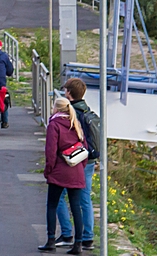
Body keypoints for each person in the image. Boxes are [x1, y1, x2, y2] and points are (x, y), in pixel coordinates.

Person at [55, 77, 101, 250]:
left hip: (73, 160)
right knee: (85, 199)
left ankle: (67, 234)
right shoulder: (88, 111)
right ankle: (88, 238)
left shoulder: (69, 114)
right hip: (89, 160)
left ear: (68, 93)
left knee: (58, 197)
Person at [39, 97, 87, 254]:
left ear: (56, 109)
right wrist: (80, 167)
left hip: (59, 170)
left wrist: (48, 170)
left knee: (52, 205)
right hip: (76, 171)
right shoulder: (76, 123)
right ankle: (78, 244)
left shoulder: (54, 124)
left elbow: (51, 151)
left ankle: (51, 240)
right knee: (76, 207)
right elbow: (84, 148)